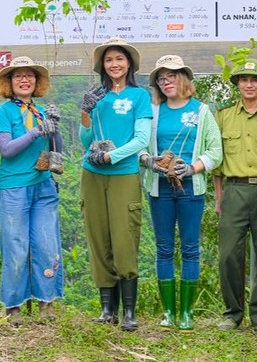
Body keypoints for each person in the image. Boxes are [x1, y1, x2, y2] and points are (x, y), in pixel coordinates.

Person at [139, 55, 223, 331]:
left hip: (190, 188)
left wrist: (192, 168)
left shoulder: (201, 112)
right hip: (159, 188)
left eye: (171, 76)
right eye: (161, 79)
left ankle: (186, 313)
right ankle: (168, 312)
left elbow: (215, 151)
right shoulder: (153, 112)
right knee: (163, 249)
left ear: (183, 78)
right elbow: (139, 146)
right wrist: (150, 161)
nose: (166, 83)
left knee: (189, 249)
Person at [80, 37, 152, 332]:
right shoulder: (96, 96)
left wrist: (111, 156)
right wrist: (86, 112)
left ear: (129, 64)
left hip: (123, 173)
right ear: (102, 65)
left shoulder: (140, 96)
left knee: (124, 238)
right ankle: (107, 309)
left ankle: (130, 312)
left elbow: (141, 140)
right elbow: (86, 141)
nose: (114, 64)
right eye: (109, 60)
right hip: (92, 174)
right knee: (99, 237)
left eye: (119, 59)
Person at [212, 58, 257, 336]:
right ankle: (232, 313)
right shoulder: (224, 115)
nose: (249, 84)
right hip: (234, 190)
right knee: (229, 254)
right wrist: (219, 199)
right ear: (237, 85)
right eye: (243, 79)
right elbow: (217, 164)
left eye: (255, 80)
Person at [0, 56, 65, 323]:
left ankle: (46, 302)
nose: (24, 79)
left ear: (37, 81)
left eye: (29, 75)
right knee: (16, 246)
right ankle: (13, 305)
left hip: (43, 185)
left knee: (46, 243)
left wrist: (54, 127)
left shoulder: (42, 111)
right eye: (18, 75)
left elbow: (57, 150)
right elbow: (7, 150)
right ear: (9, 83)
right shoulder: (5, 111)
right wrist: (36, 132)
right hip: (14, 187)